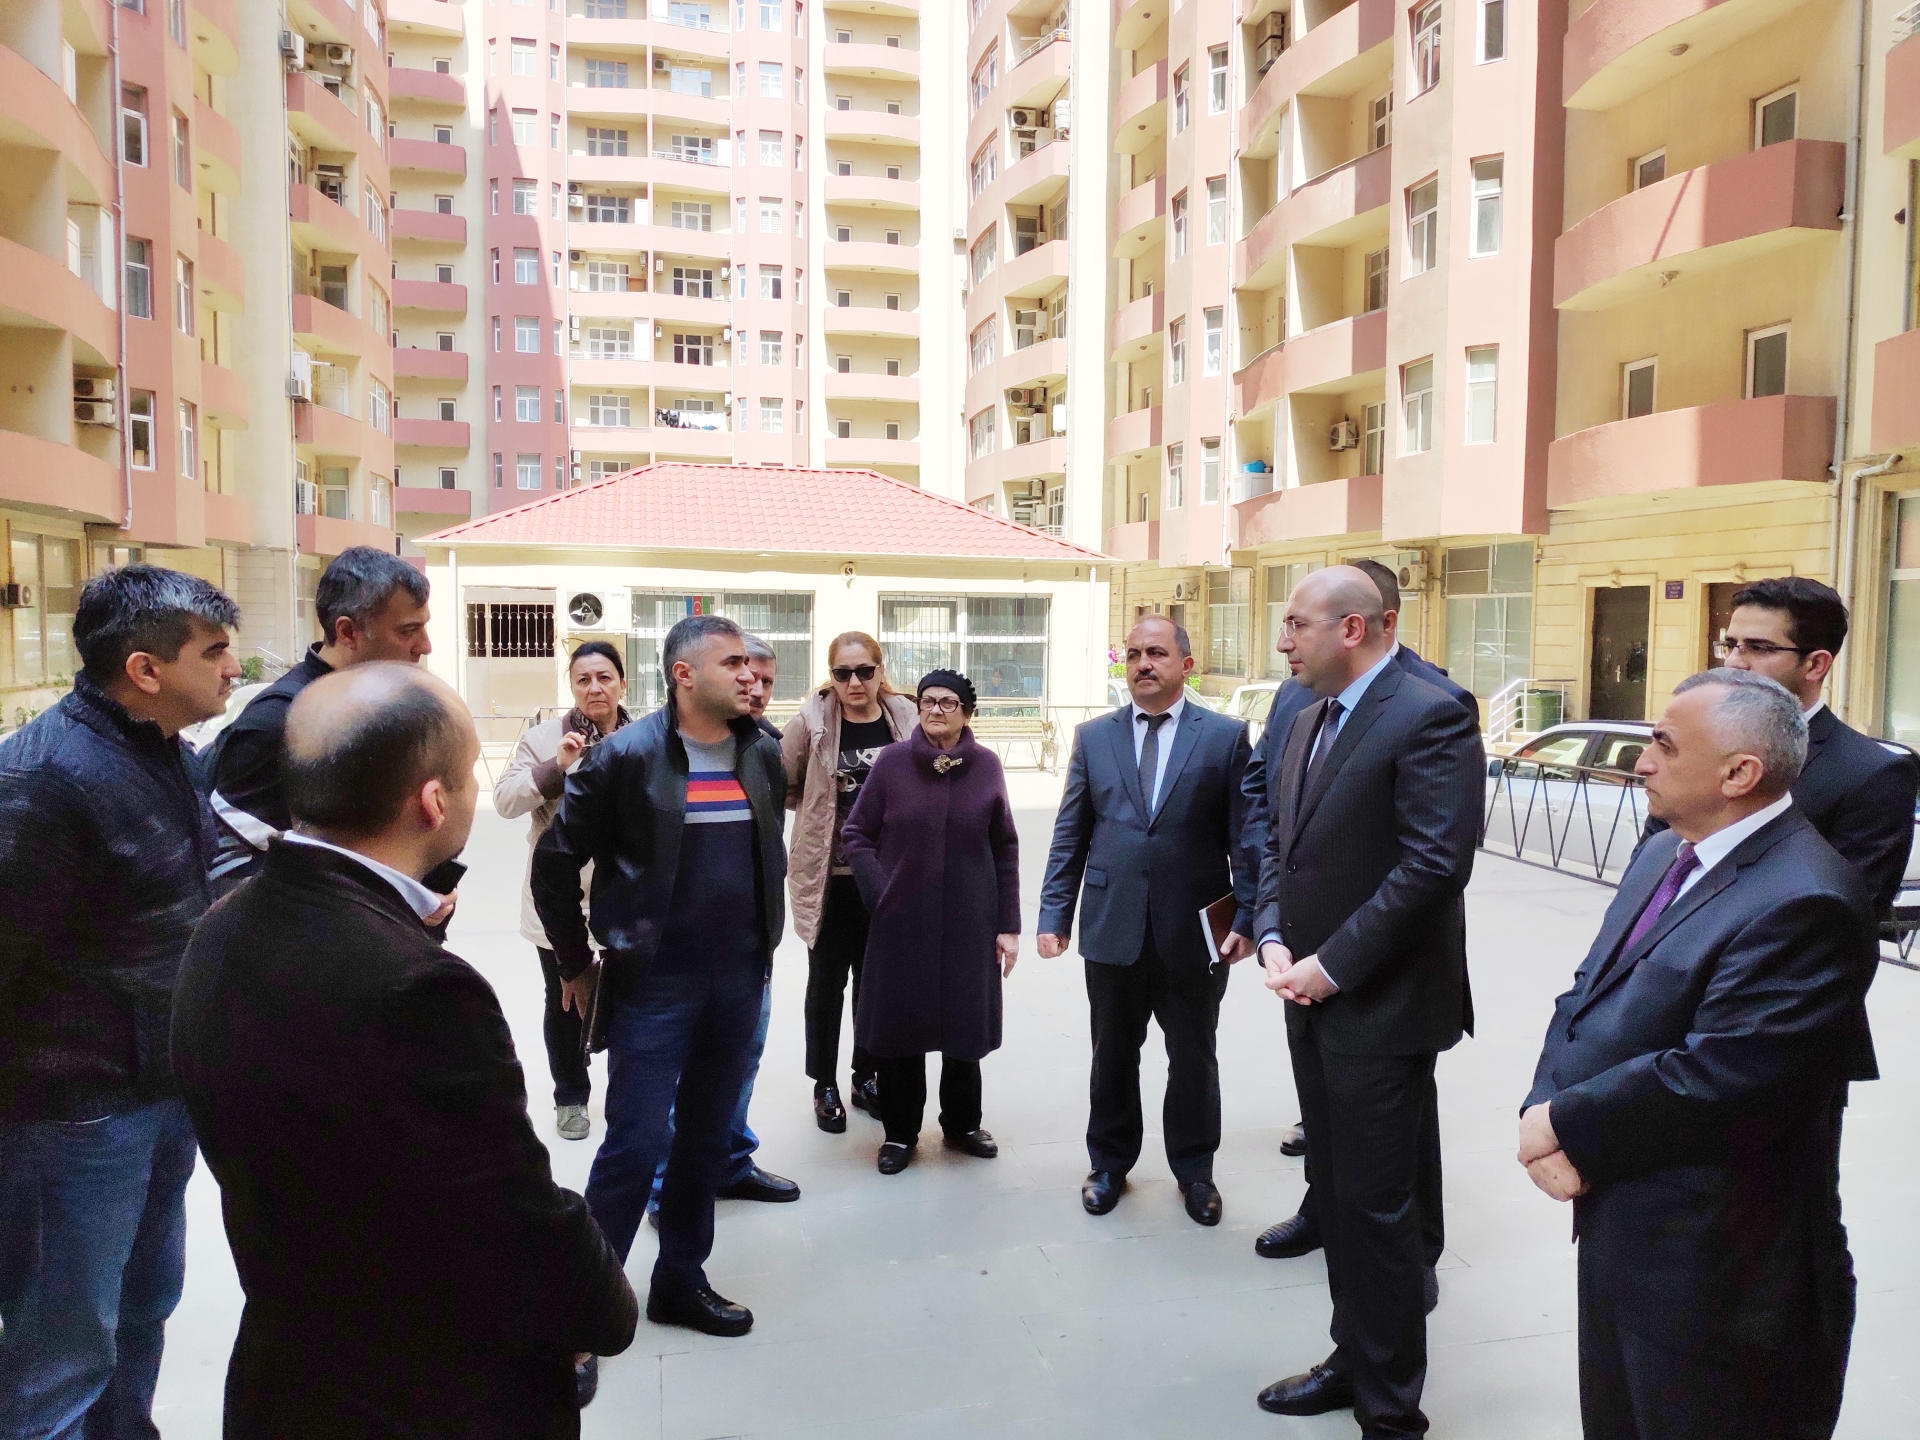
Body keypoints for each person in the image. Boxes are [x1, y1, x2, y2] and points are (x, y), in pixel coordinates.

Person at [172, 664, 637, 1437]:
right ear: (432, 800)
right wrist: (604, 1310)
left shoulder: (222, 927)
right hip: (422, 1391)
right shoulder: (421, 990)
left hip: (285, 1372)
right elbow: (511, 1215)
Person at [1521, 670, 1876, 1440]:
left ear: (1739, 773)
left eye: (1663, 744)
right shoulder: (1665, 853)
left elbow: (1719, 1076)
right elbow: (1588, 993)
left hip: (1719, 1273)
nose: (1642, 760)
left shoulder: (1807, 899)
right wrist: (1540, 1110)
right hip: (1619, 1222)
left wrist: (1563, 1122)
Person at [0, 565, 240, 1438]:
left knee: (143, 1308)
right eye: (213, 652)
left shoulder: (161, 753)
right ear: (145, 669)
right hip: (72, 1117)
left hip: (159, 1089)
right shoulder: (43, 779)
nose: (232, 668)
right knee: (62, 1349)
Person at [1249, 565, 1483, 1431]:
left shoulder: (1431, 713)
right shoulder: (1307, 717)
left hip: (1379, 1006)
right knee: (1340, 1196)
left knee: (1380, 1211)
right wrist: (1272, 929)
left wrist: (1332, 964)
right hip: (1308, 993)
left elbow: (1433, 864)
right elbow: (1280, 840)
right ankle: (1354, 1360)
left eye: (1296, 624)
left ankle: (1391, 1412)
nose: (1284, 640)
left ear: (1354, 629)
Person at [533, 615, 787, 1339]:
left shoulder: (761, 753)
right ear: (683, 675)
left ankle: (679, 1281)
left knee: (707, 1138)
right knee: (635, 1143)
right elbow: (554, 863)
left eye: (751, 664)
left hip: (738, 978)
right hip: (655, 982)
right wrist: (577, 961)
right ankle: (586, 1312)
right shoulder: (624, 758)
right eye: (732, 663)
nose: (751, 676)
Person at [1038, 616, 1258, 1226]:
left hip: (1194, 931)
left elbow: (1246, 839)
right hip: (1112, 926)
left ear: (1185, 663)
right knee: (1112, 1053)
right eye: (1132, 654)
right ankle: (1108, 1164)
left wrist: (1249, 916)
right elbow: (1070, 834)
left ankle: (1195, 1171)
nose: (1142, 664)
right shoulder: (1094, 737)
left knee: (1194, 1056)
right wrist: (1055, 913)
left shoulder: (1223, 737)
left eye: (1156, 653)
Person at [841, 670, 1021, 1174]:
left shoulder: (986, 766)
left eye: (947, 702)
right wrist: (883, 893)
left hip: (971, 919)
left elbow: (1004, 845)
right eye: (926, 701)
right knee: (900, 1029)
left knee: (965, 1028)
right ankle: (899, 1133)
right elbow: (855, 833)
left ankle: (962, 1125)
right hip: (902, 921)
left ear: (967, 712)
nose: (935, 710)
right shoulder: (893, 763)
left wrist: (1008, 923)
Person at [648, 634, 799, 1209]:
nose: (753, 687)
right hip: (675, 956)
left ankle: (731, 1161)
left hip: (747, 950)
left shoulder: (764, 751)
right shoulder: (656, 750)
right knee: (680, 1073)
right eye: (740, 672)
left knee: (742, 1058)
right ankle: (667, 1185)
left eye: (764, 679)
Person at [205, 546, 431, 890]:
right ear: (348, 632)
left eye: (424, 628)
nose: (424, 646)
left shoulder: (377, 702)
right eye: (407, 631)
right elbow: (228, 867)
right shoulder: (279, 719)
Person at [494, 642, 633, 1141]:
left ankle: (629, 1094)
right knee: (566, 999)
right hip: (557, 898)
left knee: (632, 999)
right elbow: (506, 800)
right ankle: (571, 1097)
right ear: (571, 686)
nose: (594, 687)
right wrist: (556, 767)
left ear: (623, 683)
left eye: (604, 677)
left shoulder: (644, 736)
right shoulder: (544, 737)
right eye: (582, 679)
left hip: (626, 896)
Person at [781, 632, 918, 1131]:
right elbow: (785, 781)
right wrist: (821, 811)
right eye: (843, 673)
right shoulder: (811, 722)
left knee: (875, 983)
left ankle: (867, 1076)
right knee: (826, 983)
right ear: (831, 676)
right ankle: (824, 1083)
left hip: (888, 878)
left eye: (864, 671)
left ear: (881, 671)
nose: (855, 682)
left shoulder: (906, 717)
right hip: (830, 877)